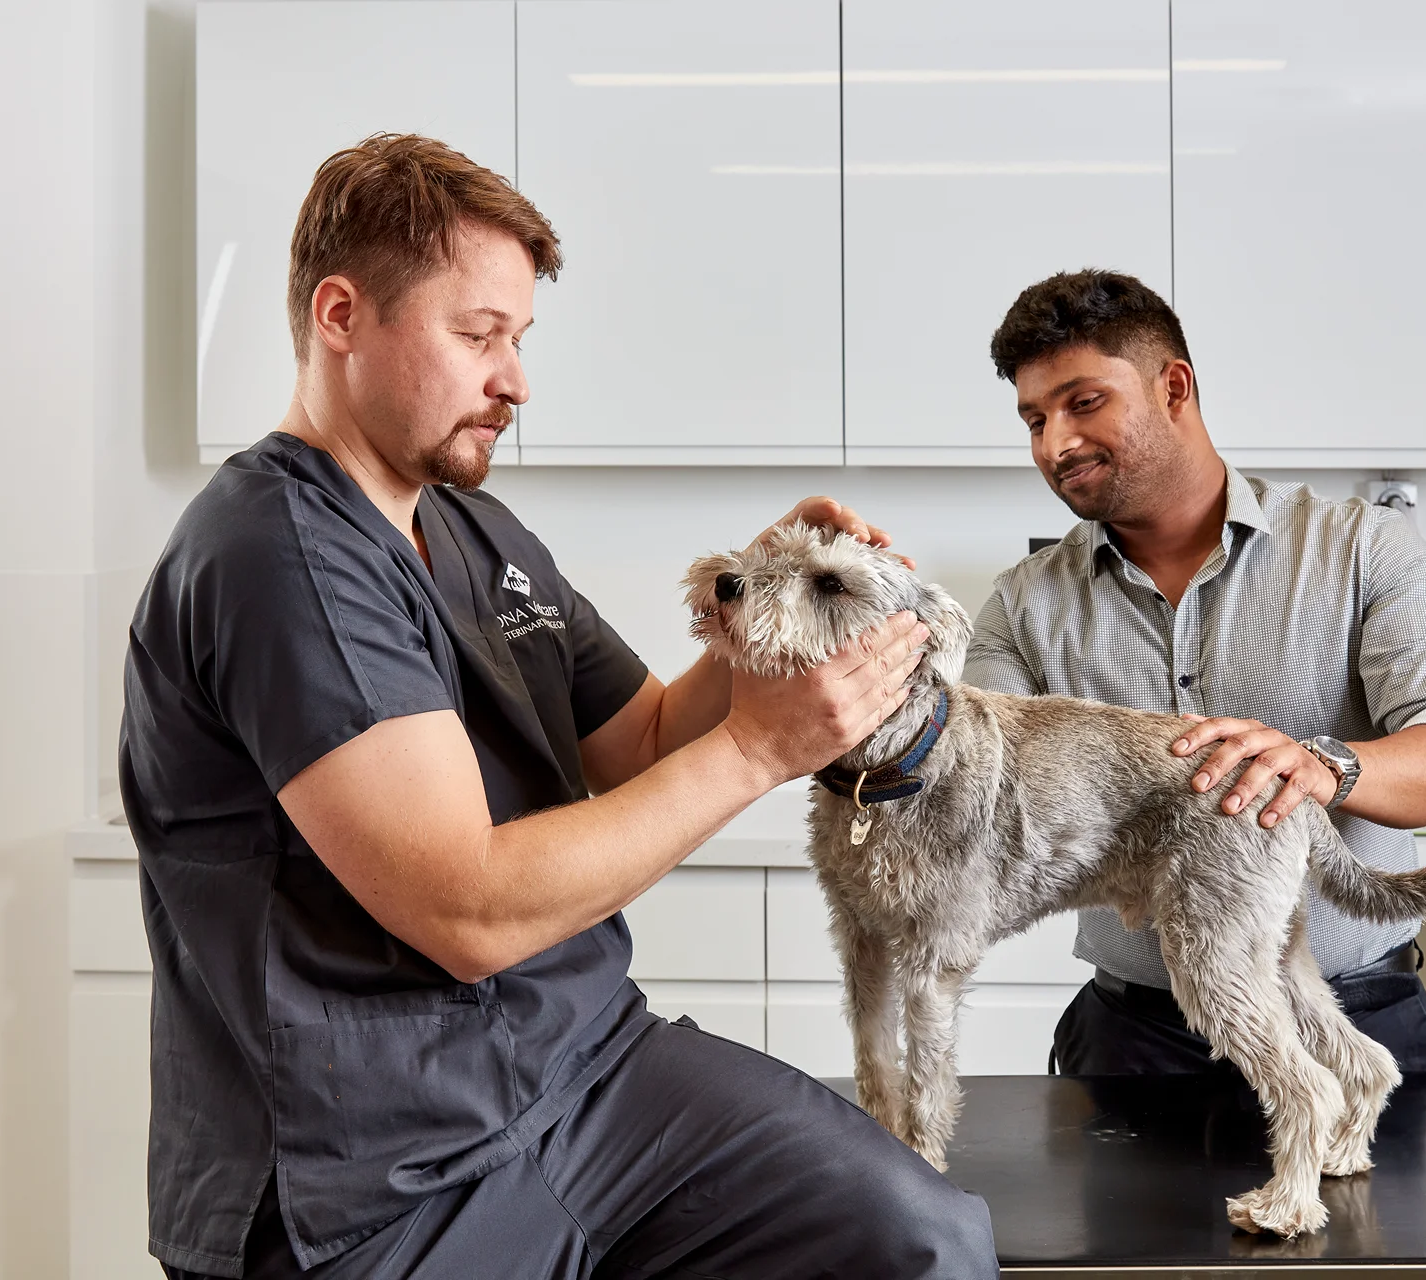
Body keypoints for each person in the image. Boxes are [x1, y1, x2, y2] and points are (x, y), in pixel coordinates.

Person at [121, 134, 995, 1280]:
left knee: (921, 1236)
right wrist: (758, 749)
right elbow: (466, 910)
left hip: (583, 1075)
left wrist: (775, 596)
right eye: (478, 335)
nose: (515, 379)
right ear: (341, 315)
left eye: (519, 340)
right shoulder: (275, 555)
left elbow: (636, 741)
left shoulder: (470, 524)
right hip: (377, 1174)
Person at [963, 269, 1426, 1078]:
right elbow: (972, 791)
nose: (1054, 445)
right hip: (1131, 1041)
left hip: (1351, 1022)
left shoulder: (1360, 549)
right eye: (1034, 419)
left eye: (1083, 404)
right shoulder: (1023, 605)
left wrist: (1324, 766)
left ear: (1174, 386)